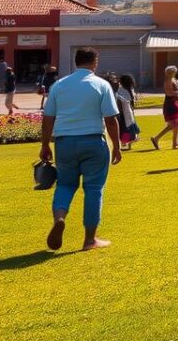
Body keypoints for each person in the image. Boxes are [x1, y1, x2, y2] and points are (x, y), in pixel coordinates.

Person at [39, 47, 121, 251]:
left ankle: (59, 218)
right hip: (93, 141)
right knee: (93, 189)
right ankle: (89, 240)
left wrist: (45, 145)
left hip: (65, 143)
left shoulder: (59, 85)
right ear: (95, 62)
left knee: (65, 185)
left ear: (76, 62)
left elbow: (48, 118)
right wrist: (117, 147)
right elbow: (111, 120)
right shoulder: (101, 85)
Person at [151, 66, 178, 150]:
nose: (174, 73)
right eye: (173, 72)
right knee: (176, 123)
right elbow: (169, 93)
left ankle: (156, 138)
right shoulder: (168, 81)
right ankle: (175, 144)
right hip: (171, 103)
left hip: (174, 102)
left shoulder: (173, 79)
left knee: (172, 125)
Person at [114, 74, 140, 149]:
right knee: (130, 127)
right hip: (130, 111)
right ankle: (129, 145)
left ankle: (124, 142)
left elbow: (119, 101)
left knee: (124, 128)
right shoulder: (131, 89)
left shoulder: (121, 90)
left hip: (123, 112)